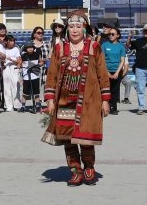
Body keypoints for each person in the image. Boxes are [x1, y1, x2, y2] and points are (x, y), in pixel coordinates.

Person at [42, 10, 110, 187]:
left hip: (89, 101)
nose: (74, 30)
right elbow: (52, 75)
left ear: (84, 28)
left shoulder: (93, 47)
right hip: (64, 100)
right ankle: (75, 170)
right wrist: (50, 99)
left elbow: (103, 74)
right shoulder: (60, 48)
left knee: (85, 137)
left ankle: (88, 167)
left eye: (78, 26)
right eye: (71, 26)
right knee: (67, 139)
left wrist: (105, 100)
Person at [100, 26, 128, 115]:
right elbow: (102, 60)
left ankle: (114, 107)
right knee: (106, 89)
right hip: (106, 70)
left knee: (115, 90)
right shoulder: (104, 45)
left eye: (112, 34)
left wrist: (117, 72)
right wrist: (107, 72)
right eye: (109, 34)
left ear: (117, 36)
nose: (110, 36)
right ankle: (105, 106)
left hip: (117, 70)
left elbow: (122, 61)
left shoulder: (121, 47)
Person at [20, 27, 47, 112]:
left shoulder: (36, 54)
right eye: (28, 47)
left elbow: (41, 62)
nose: (30, 49)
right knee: (25, 92)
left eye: (31, 47)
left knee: (36, 92)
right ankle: (23, 106)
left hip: (35, 75)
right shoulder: (23, 56)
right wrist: (20, 66)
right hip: (26, 77)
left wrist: (39, 64)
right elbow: (20, 63)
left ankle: (38, 106)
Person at [0, 33, 23, 112]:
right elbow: (1, 61)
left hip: (14, 68)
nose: (12, 43)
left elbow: (19, 61)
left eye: (13, 41)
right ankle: (9, 106)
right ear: (6, 42)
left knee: (16, 86)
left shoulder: (16, 49)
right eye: (10, 41)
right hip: (6, 69)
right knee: (6, 87)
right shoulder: (3, 49)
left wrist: (11, 60)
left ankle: (17, 104)